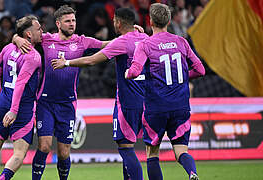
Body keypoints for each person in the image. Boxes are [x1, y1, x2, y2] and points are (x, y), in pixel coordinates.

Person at [13, 5, 109, 180]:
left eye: (73, 20)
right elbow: (26, 34)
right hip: (45, 103)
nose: (72, 24)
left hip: (67, 104)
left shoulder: (82, 41)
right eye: (67, 21)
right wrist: (16, 39)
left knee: (64, 152)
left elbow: (106, 44)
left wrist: (131, 37)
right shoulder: (46, 39)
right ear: (58, 23)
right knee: (44, 146)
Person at [51, 8, 148, 180]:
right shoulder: (145, 38)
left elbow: (91, 60)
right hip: (147, 101)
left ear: (118, 23)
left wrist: (66, 62)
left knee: (126, 147)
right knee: (142, 149)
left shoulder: (122, 42)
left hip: (127, 102)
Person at [125, 3, 205, 180]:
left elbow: (134, 72)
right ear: (168, 20)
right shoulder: (181, 42)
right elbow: (200, 70)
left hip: (156, 107)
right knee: (181, 151)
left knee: (152, 153)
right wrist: (182, 77)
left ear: (150, 20)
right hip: (181, 106)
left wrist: (127, 73)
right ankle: (192, 172)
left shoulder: (145, 45)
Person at [0, 15, 43, 180]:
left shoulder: (7, 49)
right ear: (28, 34)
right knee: (19, 154)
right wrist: (14, 110)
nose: (42, 31)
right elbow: (20, 83)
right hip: (21, 108)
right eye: (38, 29)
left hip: (4, 104)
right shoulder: (33, 56)